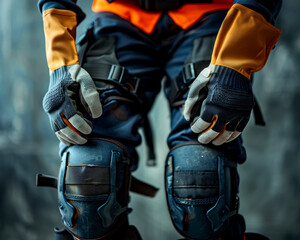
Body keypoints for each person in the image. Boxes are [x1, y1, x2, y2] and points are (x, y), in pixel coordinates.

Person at [38, 0, 282, 239]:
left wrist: (234, 65)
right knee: (89, 176)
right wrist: (61, 66)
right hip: (122, 16)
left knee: (202, 177)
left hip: (210, 14)